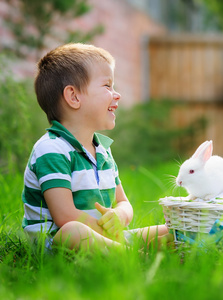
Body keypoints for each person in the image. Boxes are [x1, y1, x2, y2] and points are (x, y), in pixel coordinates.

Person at [22, 43, 169, 251]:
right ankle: (131, 255)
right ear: (74, 97)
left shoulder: (103, 151)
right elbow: (65, 217)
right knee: (73, 231)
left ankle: (127, 249)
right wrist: (114, 236)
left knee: (170, 230)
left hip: (103, 237)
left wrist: (119, 215)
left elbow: (123, 202)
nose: (116, 94)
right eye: (107, 86)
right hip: (56, 242)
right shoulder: (51, 149)